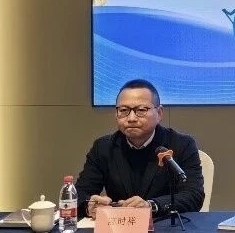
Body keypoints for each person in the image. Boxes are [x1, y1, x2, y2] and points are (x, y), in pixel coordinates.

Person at [76, 79, 205, 219]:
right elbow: (80, 193)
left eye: (141, 110)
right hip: (119, 225)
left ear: (159, 113)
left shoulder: (182, 144)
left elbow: (193, 195)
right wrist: (89, 206)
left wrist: (152, 206)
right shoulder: (103, 147)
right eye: (123, 110)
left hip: (163, 224)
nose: (131, 118)